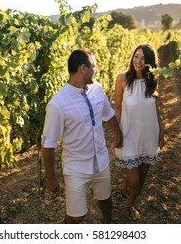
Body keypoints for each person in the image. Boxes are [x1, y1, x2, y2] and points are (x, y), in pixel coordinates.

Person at [41, 49, 123, 224]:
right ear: (83, 69)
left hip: (101, 160)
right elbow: (48, 145)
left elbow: (108, 114)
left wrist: (119, 134)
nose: (97, 70)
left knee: (106, 201)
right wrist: (50, 178)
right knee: (75, 216)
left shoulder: (97, 89)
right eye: (94, 66)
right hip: (76, 167)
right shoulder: (57, 104)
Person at [113, 43, 164, 221]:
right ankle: (124, 186)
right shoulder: (122, 80)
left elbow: (155, 108)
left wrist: (161, 129)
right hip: (129, 134)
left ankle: (130, 205)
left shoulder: (153, 81)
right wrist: (118, 132)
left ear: (150, 62)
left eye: (143, 58)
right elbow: (117, 108)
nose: (138, 61)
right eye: (136, 56)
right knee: (133, 180)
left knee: (142, 178)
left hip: (149, 134)